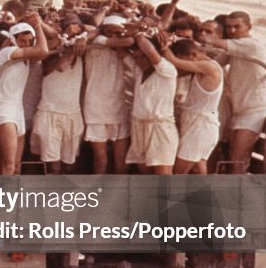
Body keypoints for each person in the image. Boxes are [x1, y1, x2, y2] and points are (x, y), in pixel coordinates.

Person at [197, 11, 266, 174]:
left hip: (254, 111)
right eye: (229, 27)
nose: (232, 31)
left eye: (237, 27)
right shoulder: (236, 48)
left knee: (237, 158)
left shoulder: (251, 45)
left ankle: (236, 194)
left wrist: (204, 40)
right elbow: (215, 65)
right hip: (238, 110)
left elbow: (215, 42)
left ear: (249, 27)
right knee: (232, 155)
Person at [0, 15, 49, 175]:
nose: (27, 44)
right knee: (7, 166)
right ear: (13, 40)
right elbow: (43, 50)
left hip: (17, 112)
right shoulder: (8, 52)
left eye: (30, 41)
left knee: (15, 166)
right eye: (23, 41)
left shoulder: (23, 55)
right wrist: (38, 26)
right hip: (3, 113)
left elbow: (48, 47)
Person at [31, 21, 86, 175]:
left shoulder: (83, 51)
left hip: (72, 114)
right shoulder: (48, 54)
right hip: (49, 113)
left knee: (69, 164)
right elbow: (60, 65)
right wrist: (68, 43)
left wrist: (84, 38)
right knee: (52, 165)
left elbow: (95, 29)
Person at [162, 39, 224, 175]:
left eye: (185, 62)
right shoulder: (200, 67)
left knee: (178, 173)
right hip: (197, 125)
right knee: (198, 168)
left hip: (200, 127)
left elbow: (174, 61)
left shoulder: (210, 67)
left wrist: (164, 45)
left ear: (193, 55)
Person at [82, 15, 134, 174]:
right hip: (95, 109)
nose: (113, 36)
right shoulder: (95, 44)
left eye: (117, 33)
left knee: (121, 161)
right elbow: (128, 40)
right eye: (109, 32)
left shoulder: (125, 53)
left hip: (118, 109)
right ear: (102, 31)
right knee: (100, 160)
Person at [124, 32, 179, 175]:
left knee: (163, 177)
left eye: (143, 57)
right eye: (136, 57)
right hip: (139, 126)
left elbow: (149, 50)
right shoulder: (139, 71)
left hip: (160, 128)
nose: (139, 61)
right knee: (145, 175)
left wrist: (139, 32)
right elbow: (122, 53)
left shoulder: (167, 70)